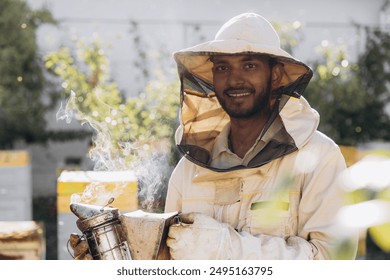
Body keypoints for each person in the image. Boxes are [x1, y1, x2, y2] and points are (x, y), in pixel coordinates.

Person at [164, 12, 358, 260]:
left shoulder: (319, 158)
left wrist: (226, 246)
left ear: (275, 75)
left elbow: (333, 262)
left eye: (249, 65)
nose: (235, 79)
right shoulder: (189, 168)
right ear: (213, 77)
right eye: (223, 67)